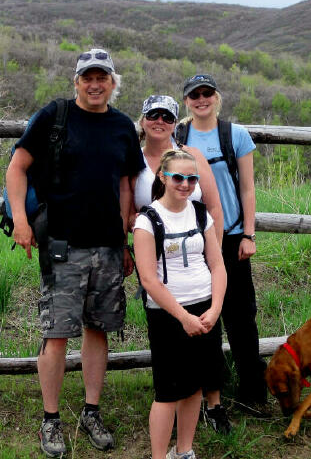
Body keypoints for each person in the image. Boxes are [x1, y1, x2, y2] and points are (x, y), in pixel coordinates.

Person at [5, 48, 145, 457]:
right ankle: (50, 421)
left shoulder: (122, 126)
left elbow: (124, 186)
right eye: (88, 77)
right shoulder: (55, 116)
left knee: (98, 330)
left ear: (113, 82)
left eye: (102, 77)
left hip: (106, 247)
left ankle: (91, 411)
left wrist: (123, 242)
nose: (95, 84)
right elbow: (17, 166)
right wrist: (20, 220)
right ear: (76, 81)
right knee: (56, 335)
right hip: (62, 246)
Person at [179, 74, 268, 430]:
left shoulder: (235, 135)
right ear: (186, 101)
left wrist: (249, 233)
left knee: (241, 316)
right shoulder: (178, 137)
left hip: (231, 238)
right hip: (194, 239)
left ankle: (252, 393)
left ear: (216, 97)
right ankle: (203, 393)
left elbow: (247, 189)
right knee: (201, 316)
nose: (201, 99)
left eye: (207, 93)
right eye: (194, 95)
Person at [134, 149, 227, 459]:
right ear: (163, 177)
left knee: (195, 386)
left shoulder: (201, 214)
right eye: (178, 177)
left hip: (205, 310)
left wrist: (214, 309)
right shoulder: (147, 220)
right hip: (168, 315)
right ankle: (159, 456)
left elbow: (217, 265)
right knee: (169, 391)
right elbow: (148, 280)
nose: (185, 184)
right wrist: (183, 317)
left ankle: (184, 450)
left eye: (191, 178)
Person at [132, 95, 223, 243]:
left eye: (168, 117)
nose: (160, 121)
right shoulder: (133, 160)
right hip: (153, 250)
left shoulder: (192, 156)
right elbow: (127, 213)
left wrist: (215, 253)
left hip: (195, 250)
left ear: (174, 124)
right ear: (142, 121)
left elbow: (214, 209)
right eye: (153, 115)